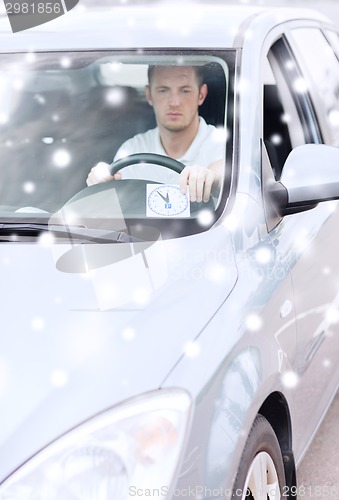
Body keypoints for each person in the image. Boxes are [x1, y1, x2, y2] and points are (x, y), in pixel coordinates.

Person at [86, 64, 225, 203]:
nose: (174, 102)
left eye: (185, 90)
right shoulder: (132, 150)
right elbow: (114, 208)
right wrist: (101, 185)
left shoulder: (223, 145)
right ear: (149, 95)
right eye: (163, 90)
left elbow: (221, 171)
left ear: (201, 95)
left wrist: (212, 179)